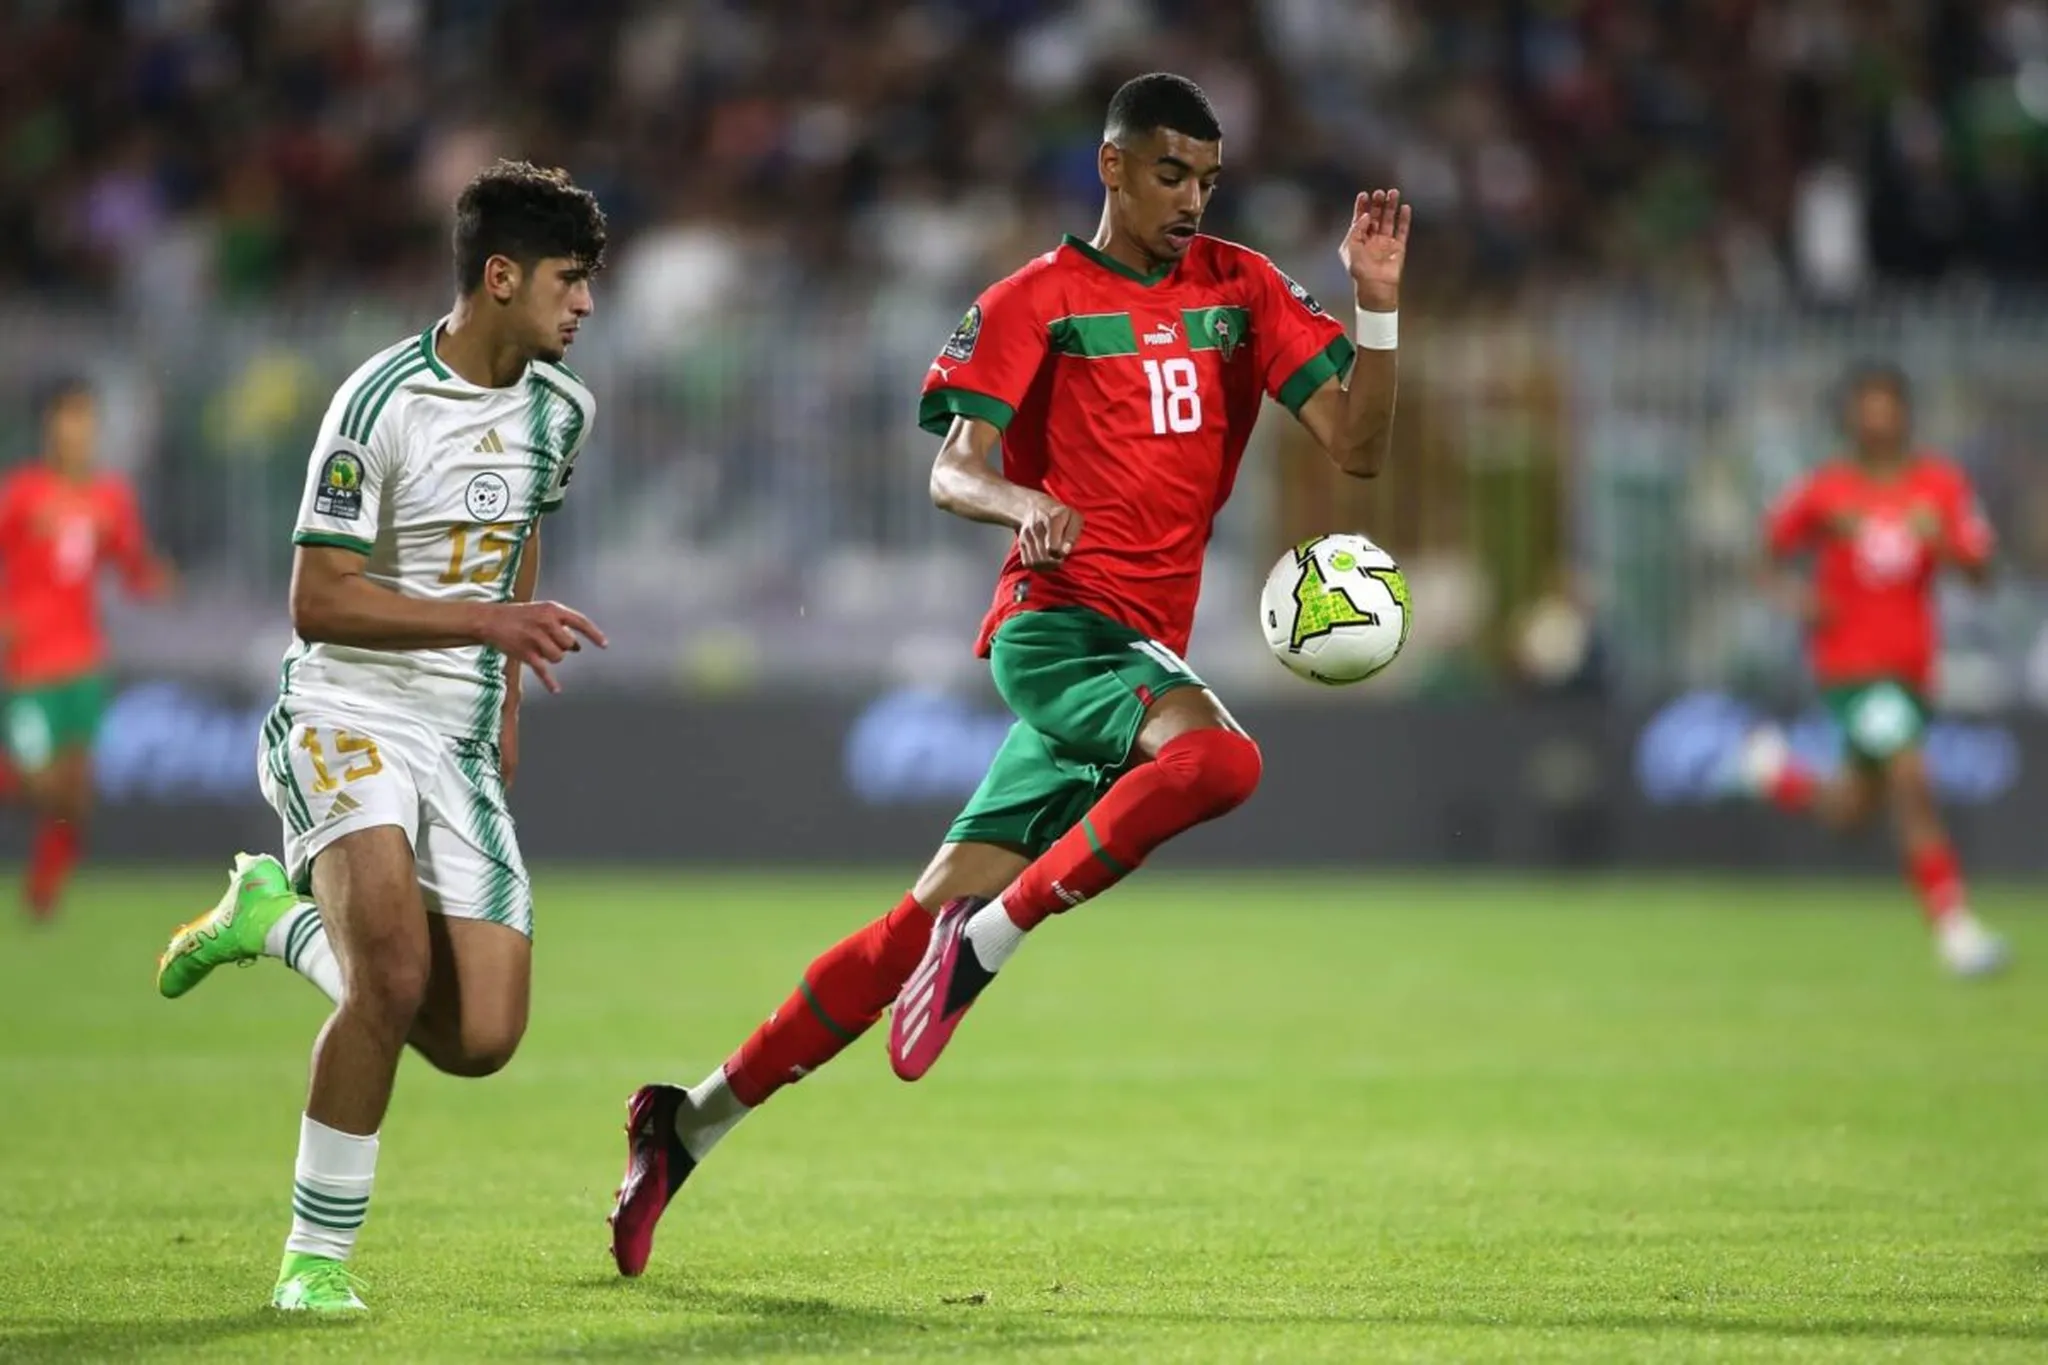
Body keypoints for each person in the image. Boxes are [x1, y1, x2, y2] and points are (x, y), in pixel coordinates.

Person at [608, 72, 1410, 1276]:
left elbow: (1356, 445)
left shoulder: (1238, 289)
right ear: (1111, 167)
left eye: (1206, 177)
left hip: (1140, 647)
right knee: (1219, 760)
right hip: (1058, 628)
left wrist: (1379, 309)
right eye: (1167, 174)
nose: (1190, 199)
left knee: (911, 922)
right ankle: (992, 942)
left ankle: (684, 1123)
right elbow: (952, 467)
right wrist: (1019, 500)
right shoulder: (1033, 300)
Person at [152, 160, 610, 1312]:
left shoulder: (563, 411)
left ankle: (272, 919)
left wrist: (501, 686)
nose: (586, 303)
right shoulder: (377, 405)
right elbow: (318, 599)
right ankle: (313, 1263)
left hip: (453, 731)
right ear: (498, 277)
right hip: (345, 710)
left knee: (482, 1036)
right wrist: (484, 622)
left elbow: (523, 538)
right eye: (569, 278)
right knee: (392, 977)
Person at [1729, 362, 2006, 977]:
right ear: (1850, 416)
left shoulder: (1941, 487)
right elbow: (1761, 553)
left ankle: (1776, 776)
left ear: (1905, 413)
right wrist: (1799, 601)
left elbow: (1984, 574)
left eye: (1887, 406)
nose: (1877, 418)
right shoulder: (1825, 491)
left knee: (1853, 808)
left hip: (1912, 669)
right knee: (1911, 775)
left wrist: (1947, 547)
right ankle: (1955, 931)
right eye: (1866, 406)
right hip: (1851, 665)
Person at [0, 378, 175, 918]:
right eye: (67, 417)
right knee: (38, 781)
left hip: (83, 663)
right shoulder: (23, 494)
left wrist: (153, 578)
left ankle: (43, 897)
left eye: (85, 418)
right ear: (48, 424)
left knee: (74, 796)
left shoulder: (110, 497)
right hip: (29, 668)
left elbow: (130, 564)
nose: (77, 429)